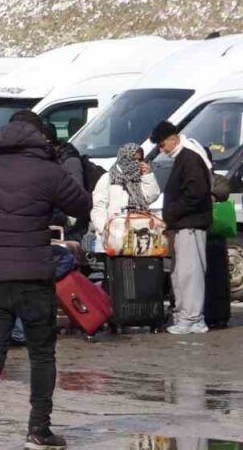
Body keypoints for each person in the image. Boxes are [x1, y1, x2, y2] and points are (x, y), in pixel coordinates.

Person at [0, 116, 91, 450]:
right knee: (41, 354)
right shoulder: (46, 168)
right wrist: (59, 168)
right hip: (33, 276)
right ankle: (38, 430)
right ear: (39, 137)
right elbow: (82, 204)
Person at [150, 120, 213, 335]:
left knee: (190, 274)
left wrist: (172, 213)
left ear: (172, 139)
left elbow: (196, 193)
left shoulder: (190, 158)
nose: (161, 150)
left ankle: (193, 318)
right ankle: (186, 315)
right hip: (183, 224)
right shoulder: (184, 156)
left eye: (162, 145)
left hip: (190, 224)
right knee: (181, 273)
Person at [89, 142, 159, 248]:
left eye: (139, 160)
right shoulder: (108, 178)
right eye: (133, 160)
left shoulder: (139, 178)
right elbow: (99, 207)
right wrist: (104, 229)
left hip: (138, 233)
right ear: (124, 159)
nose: (137, 163)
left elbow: (151, 197)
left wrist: (148, 176)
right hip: (113, 235)